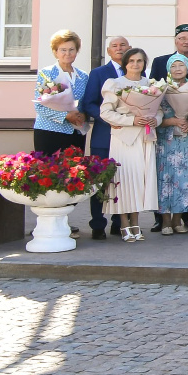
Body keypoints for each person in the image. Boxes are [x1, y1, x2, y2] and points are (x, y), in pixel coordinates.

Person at [99, 47, 159, 241]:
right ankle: (124, 224)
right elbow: (105, 112)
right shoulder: (115, 83)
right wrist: (130, 121)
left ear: (144, 64)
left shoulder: (150, 84)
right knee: (124, 181)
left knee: (139, 181)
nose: (135, 64)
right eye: (132, 61)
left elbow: (160, 110)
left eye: (139, 61)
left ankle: (136, 223)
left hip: (144, 138)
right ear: (125, 63)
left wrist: (154, 119)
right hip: (123, 138)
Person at [79, 35, 129, 239]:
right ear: (108, 51)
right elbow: (88, 103)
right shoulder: (98, 73)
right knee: (99, 180)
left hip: (128, 138)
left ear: (130, 49)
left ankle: (119, 223)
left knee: (123, 181)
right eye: (114, 46)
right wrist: (108, 118)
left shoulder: (137, 72)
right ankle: (97, 224)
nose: (119, 48)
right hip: (103, 136)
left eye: (123, 45)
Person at [151, 53, 188, 235]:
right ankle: (165, 221)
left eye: (181, 66)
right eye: (174, 66)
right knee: (165, 179)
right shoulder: (160, 88)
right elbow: (154, 115)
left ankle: (178, 220)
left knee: (182, 180)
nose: (178, 69)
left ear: (187, 68)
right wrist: (173, 122)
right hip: (166, 142)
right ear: (168, 69)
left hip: (185, 141)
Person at [34, 29, 88, 154]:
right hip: (49, 132)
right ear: (55, 52)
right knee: (50, 172)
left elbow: (85, 103)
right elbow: (39, 106)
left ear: (76, 51)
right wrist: (66, 116)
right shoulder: (47, 73)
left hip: (76, 132)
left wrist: (84, 115)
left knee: (76, 171)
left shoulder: (83, 76)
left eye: (71, 49)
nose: (67, 53)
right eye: (63, 50)